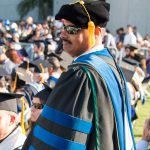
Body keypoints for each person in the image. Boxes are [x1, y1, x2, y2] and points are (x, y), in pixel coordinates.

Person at [22, 0, 135, 150]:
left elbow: (62, 140)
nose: (62, 34)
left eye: (72, 29)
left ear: (96, 32)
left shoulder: (80, 74)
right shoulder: (109, 64)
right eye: (63, 27)